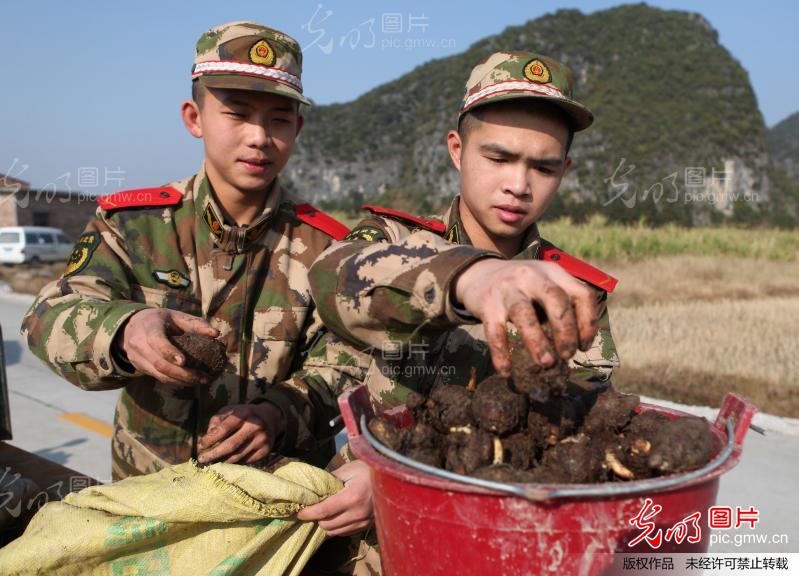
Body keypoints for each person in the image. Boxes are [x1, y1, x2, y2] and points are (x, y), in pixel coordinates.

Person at [296, 50, 622, 574]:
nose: (519, 184)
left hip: (503, 544)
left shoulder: (570, 290)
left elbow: (575, 430)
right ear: (457, 150)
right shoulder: (393, 240)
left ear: (564, 170)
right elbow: (335, 277)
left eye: (542, 166)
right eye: (498, 158)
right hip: (379, 546)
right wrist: (470, 277)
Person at [20, 21, 361, 484]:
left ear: (297, 128)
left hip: (276, 501)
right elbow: (47, 317)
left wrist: (283, 412)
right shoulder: (134, 225)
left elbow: (350, 361)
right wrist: (123, 329)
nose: (259, 137)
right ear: (194, 118)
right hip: (150, 491)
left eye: (278, 119)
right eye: (237, 114)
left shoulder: (329, 249)